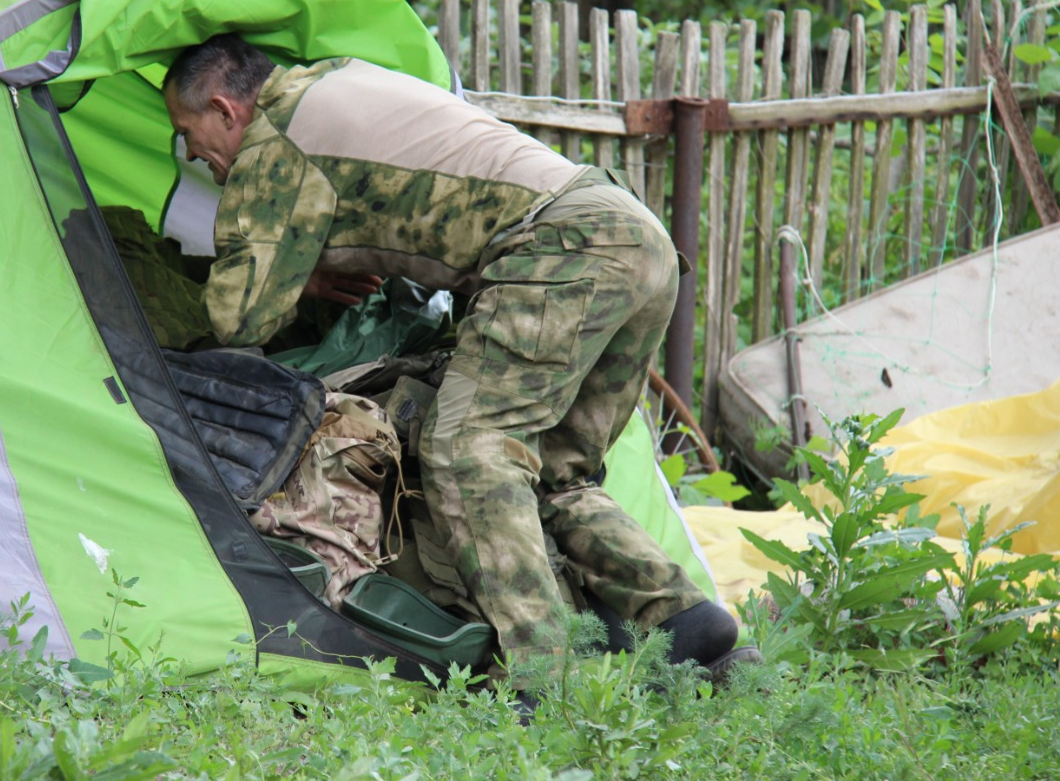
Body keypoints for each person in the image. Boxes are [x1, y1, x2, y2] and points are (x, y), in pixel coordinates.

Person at [163, 34, 757, 697]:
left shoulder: (273, 141)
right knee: (556, 473)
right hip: (633, 235)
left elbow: (237, 318)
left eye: (186, 134)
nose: (192, 155)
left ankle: (541, 675)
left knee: (467, 447)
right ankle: (683, 617)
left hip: (561, 248)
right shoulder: (339, 76)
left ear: (225, 110)